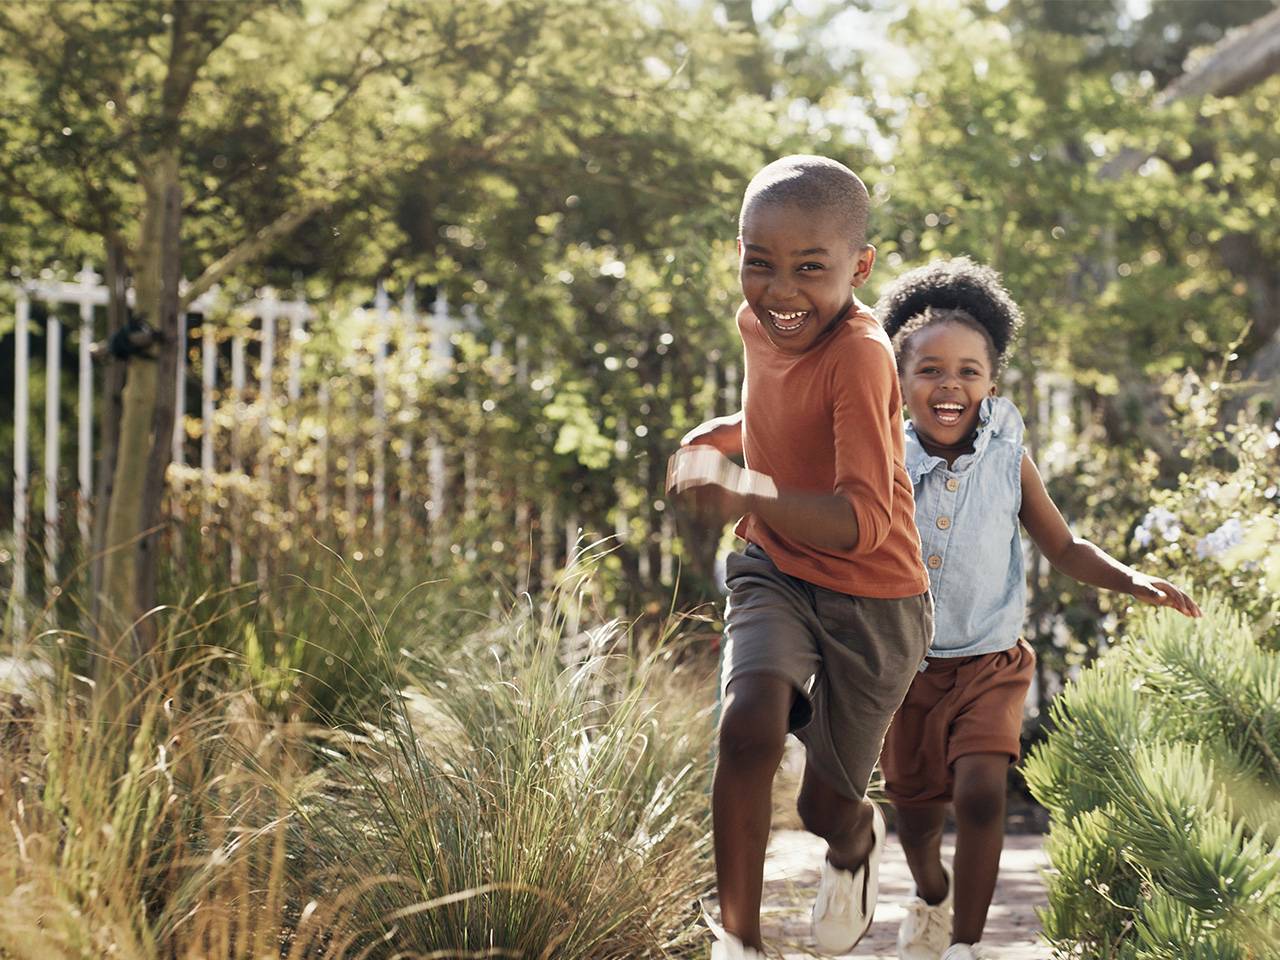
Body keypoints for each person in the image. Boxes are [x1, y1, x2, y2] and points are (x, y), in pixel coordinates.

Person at [875, 257, 1201, 960]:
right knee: (917, 819)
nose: (950, 384)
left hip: (990, 661)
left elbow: (1063, 543)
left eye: (968, 370)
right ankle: (930, 896)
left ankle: (964, 944)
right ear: (899, 382)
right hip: (902, 670)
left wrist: (1133, 579)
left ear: (991, 381)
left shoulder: (1007, 454)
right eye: (929, 369)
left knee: (984, 792)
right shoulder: (883, 459)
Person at [667, 155, 933, 959]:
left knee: (823, 809)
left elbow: (861, 522)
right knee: (747, 726)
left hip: (874, 599)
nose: (780, 291)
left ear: (859, 267)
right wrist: (730, 434)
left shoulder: (862, 352)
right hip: (775, 564)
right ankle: (738, 942)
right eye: (760, 263)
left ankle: (855, 844)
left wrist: (742, 490)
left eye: (809, 270)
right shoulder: (762, 323)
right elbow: (788, 415)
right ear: (739, 250)